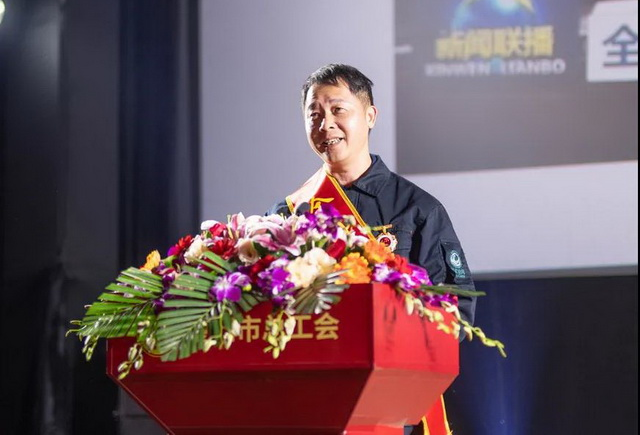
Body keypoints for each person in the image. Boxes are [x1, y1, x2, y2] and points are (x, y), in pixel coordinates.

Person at [268, 63, 476, 435]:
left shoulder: (417, 209)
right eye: (314, 115)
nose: (326, 124)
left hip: (388, 407)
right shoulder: (288, 213)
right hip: (309, 403)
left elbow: (455, 310)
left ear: (370, 116)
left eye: (338, 110)